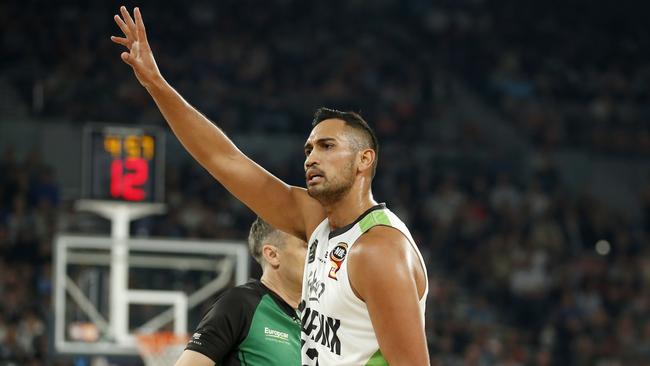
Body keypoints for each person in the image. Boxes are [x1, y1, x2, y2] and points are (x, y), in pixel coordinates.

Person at [112, 6, 429, 365]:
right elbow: (224, 159)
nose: (311, 158)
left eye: (327, 147)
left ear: (364, 160)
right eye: (308, 149)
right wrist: (156, 84)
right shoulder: (317, 220)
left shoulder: (379, 251)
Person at [175, 217, 306, 366]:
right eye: (306, 246)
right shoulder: (240, 304)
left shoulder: (318, 315)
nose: (318, 254)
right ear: (272, 255)